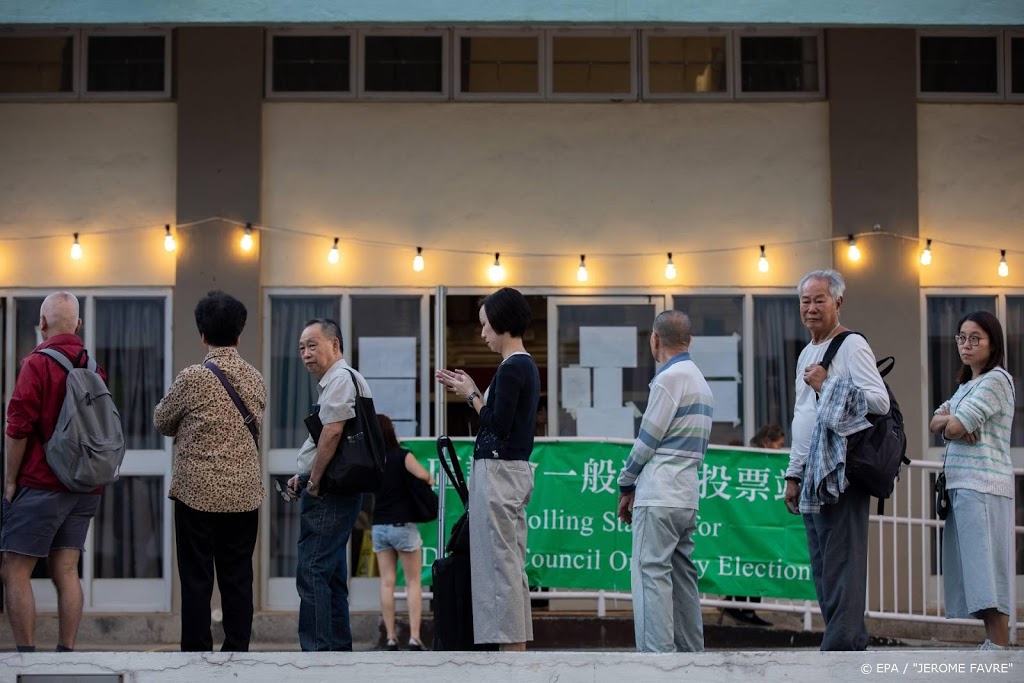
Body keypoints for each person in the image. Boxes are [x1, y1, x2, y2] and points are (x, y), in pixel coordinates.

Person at [153, 290, 266, 652]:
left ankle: (196, 654)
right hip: (244, 494)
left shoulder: (191, 378)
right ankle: (237, 652)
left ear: (202, 335)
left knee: (197, 579)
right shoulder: (254, 378)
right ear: (239, 333)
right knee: (238, 577)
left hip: (195, 494)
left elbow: (161, 420)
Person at [783, 269, 889, 651]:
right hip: (812, 469)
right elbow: (801, 415)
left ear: (838, 303)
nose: (811, 308)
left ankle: (841, 645)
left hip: (842, 469)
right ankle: (847, 640)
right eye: (805, 301)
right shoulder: (806, 352)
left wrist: (827, 383)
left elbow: (879, 400)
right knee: (824, 563)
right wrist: (793, 474)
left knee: (842, 561)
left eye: (819, 300)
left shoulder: (851, 346)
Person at [435, 287, 540, 651]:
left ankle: (509, 652)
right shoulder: (523, 365)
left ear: (501, 322)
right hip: (510, 472)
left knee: (499, 566)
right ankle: (514, 649)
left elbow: (497, 425)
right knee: (508, 563)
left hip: (499, 474)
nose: (481, 333)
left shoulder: (513, 367)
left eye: (485, 325)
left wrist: (471, 394)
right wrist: (475, 391)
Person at [1, 292, 105, 653]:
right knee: (66, 569)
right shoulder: (94, 368)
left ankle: (27, 659)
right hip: (85, 487)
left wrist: (11, 481)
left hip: (42, 483)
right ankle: (66, 656)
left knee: (14, 569)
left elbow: (17, 428)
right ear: (78, 325)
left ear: (42, 323)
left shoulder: (37, 363)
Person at [616, 310, 713, 653]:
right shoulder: (700, 381)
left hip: (658, 493)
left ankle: (657, 662)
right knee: (683, 578)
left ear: (654, 339)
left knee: (650, 576)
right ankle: (691, 658)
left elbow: (647, 440)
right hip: (686, 496)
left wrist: (625, 483)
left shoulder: (669, 379)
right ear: (689, 341)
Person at [928, 311, 1015, 650]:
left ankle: (999, 648)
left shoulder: (997, 380)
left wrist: (952, 422)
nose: (966, 344)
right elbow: (937, 421)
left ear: (993, 344)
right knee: (973, 572)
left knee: (987, 572)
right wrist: (952, 421)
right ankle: (993, 645)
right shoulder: (967, 385)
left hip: (984, 486)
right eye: (961, 337)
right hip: (963, 486)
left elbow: (951, 427)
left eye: (975, 338)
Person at [285, 318, 368, 651]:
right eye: (302, 347)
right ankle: (336, 652)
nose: (306, 353)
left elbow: (333, 433)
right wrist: (303, 475)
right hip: (334, 488)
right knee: (331, 574)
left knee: (313, 570)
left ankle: (318, 654)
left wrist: (314, 481)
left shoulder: (340, 380)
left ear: (335, 345)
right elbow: (325, 438)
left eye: (313, 344)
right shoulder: (341, 381)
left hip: (331, 492)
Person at [372, 414, 435, 651]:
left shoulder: (373, 459)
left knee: (387, 583)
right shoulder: (402, 455)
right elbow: (424, 476)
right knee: (413, 582)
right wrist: (428, 479)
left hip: (379, 526)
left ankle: (390, 636)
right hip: (403, 525)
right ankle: (414, 637)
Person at [724, 423, 786, 627]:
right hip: (749, 520)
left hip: (757, 521)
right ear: (767, 442)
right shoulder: (752, 460)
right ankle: (738, 606)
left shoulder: (764, 461)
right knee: (747, 562)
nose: (781, 449)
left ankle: (747, 609)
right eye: (779, 444)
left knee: (758, 563)